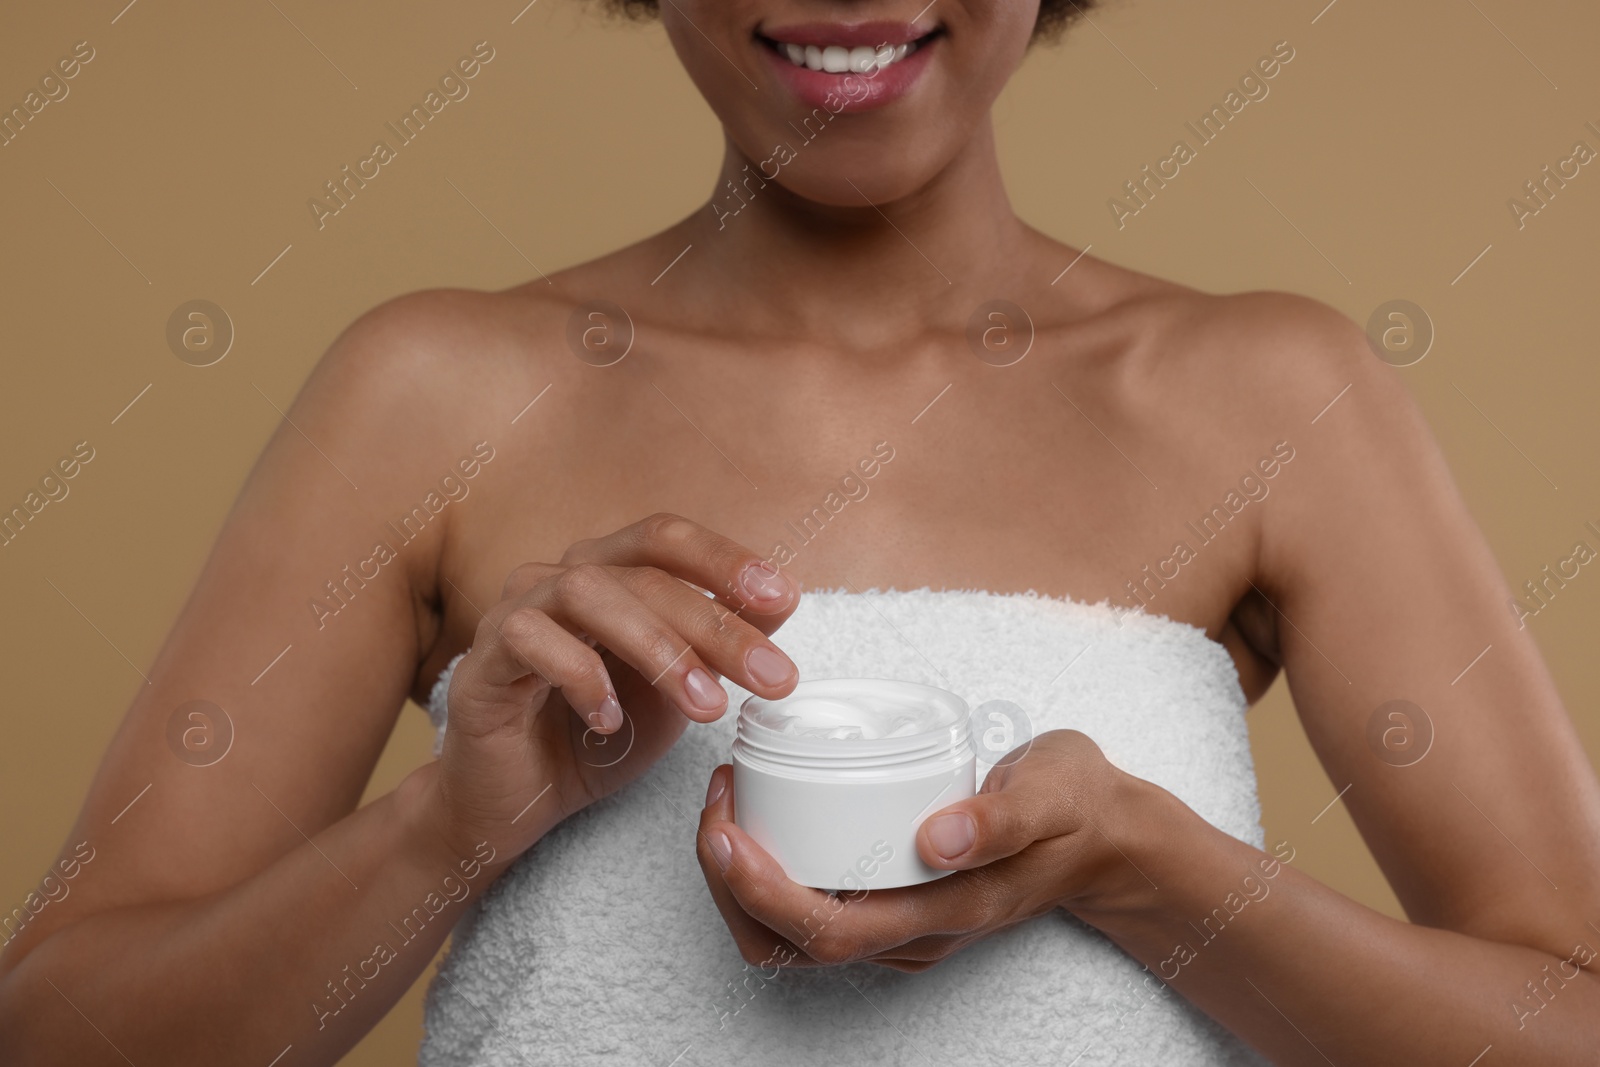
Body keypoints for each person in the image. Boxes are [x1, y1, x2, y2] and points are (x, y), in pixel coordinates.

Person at [4, 1, 1599, 1064]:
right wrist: (450, 830)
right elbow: (61, 1028)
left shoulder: (1269, 396)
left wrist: (1151, 876)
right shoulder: (431, 392)